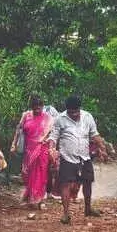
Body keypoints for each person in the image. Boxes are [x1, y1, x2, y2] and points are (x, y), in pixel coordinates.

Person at [49, 95, 108, 225]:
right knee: (65, 184)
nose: (74, 114)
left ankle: (88, 208)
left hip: (84, 156)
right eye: (71, 112)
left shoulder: (88, 117)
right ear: (67, 110)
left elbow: (94, 135)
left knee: (87, 182)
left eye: (76, 111)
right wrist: (52, 150)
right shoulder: (60, 119)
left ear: (80, 109)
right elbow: (53, 137)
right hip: (67, 157)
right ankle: (66, 214)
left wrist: (102, 148)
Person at [11, 94, 55, 209]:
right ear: (32, 106)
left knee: (41, 174)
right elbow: (19, 130)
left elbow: (51, 134)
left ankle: (38, 198)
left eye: (39, 106)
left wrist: (51, 149)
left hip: (42, 149)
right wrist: (13, 144)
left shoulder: (48, 118)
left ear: (42, 106)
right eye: (35, 107)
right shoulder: (26, 116)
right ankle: (31, 195)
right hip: (29, 149)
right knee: (28, 174)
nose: (37, 109)